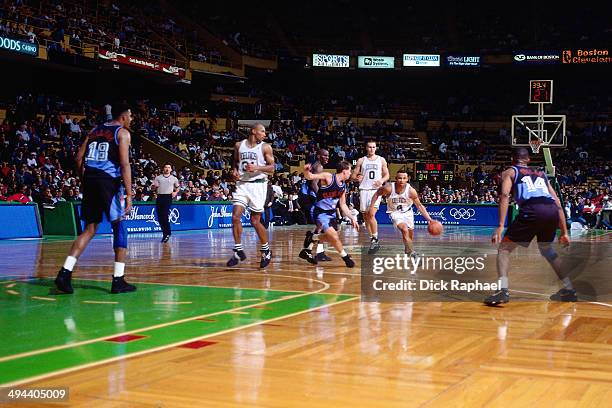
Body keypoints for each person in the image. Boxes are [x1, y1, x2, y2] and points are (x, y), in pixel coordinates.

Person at [55, 103, 136, 294]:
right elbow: (124, 164)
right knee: (119, 225)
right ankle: (118, 279)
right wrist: (130, 194)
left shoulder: (94, 131)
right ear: (123, 117)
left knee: (90, 229)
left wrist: (84, 180)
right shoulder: (122, 133)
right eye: (131, 116)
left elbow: (78, 158)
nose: (132, 119)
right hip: (108, 182)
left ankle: (65, 272)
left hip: (90, 179)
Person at [485, 148, 572, 306]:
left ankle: (503, 290)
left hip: (532, 209)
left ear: (513, 159)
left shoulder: (510, 172)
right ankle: (569, 289)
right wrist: (564, 231)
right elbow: (557, 202)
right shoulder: (541, 174)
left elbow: (504, 195)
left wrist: (500, 225)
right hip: (551, 210)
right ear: (528, 160)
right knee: (547, 249)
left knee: (504, 249)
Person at [227, 123, 275, 268]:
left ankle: (266, 250)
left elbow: (272, 168)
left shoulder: (265, 147)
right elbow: (235, 162)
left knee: (255, 221)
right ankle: (238, 249)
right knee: (235, 217)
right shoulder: (238, 145)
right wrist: (234, 171)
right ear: (253, 131)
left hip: (258, 185)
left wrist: (257, 167)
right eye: (262, 131)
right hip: (242, 184)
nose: (265, 134)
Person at [368, 170, 436, 258]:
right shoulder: (388, 188)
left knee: (409, 236)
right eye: (399, 178)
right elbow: (377, 194)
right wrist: (371, 207)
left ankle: (408, 250)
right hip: (394, 212)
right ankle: (413, 253)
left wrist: (429, 219)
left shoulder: (411, 191)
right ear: (396, 179)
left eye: (404, 178)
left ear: (407, 179)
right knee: (404, 229)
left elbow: (419, 205)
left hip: (408, 212)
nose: (402, 180)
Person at [303, 161, 359, 267]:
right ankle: (345, 257)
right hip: (320, 213)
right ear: (344, 171)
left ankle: (313, 238)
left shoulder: (343, 187)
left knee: (332, 237)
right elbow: (310, 176)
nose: (350, 173)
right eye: (350, 171)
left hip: (332, 214)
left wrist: (352, 218)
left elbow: (343, 205)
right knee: (333, 236)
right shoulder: (328, 177)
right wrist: (306, 170)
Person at [352, 141, 389, 254]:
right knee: (366, 217)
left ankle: (375, 239)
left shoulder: (381, 159)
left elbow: (387, 174)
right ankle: (373, 239)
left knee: (371, 214)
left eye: (373, 147)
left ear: (376, 148)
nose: (372, 149)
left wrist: (382, 180)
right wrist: (356, 178)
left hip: (376, 191)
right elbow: (353, 175)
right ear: (366, 148)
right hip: (364, 190)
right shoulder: (361, 160)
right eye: (370, 147)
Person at [298, 149, 332, 262]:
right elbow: (313, 184)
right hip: (309, 197)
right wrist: (321, 198)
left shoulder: (316, 166)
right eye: (325, 155)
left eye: (328, 156)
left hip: (307, 197)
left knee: (321, 225)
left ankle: (313, 250)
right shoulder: (318, 167)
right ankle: (312, 249)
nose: (327, 157)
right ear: (318, 156)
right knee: (322, 224)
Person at [152, 163, 179, 242]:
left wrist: (175, 192)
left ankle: (168, 233)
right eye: (166, 167)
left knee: (164, 215)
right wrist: (154, 187)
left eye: (169, 167)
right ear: (163, 169)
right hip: (159, 197)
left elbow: (178, 187)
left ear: (171, 169)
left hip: (168, 197)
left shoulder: (174, 178)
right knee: (160, 217)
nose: (167, 169)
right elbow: (153, 188)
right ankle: (165, 233)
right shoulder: (158, 178)